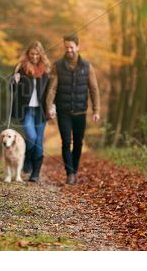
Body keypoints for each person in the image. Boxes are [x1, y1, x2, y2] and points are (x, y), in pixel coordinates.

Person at [46, 33, 100, 184]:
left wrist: (96, 110)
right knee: (65, 141)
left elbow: (94, 89)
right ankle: (69, 173)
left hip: (80, 111)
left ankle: (74, 170)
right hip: (64, 111)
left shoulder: (87, 66)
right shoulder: (58, 66)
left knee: (78, 143)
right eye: (66, 47)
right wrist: (49, 106)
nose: (68, 50)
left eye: (71, 47)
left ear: (77, 47)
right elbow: (52, 89)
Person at [11, 41, 51, 182]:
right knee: (32, 137)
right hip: (26, 109)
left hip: (41, 110)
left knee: (39, 141)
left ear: (41, 55)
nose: (34, 57)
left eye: (37, 54)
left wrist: (53, 107)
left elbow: (51, 91)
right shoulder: (21, 68)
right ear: (28, 54)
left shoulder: (46, 70)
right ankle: (27, 157)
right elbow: (11, 89)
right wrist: (14, 81)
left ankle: (35, 173)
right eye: (32, 54)